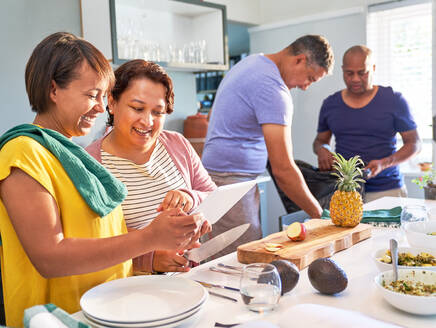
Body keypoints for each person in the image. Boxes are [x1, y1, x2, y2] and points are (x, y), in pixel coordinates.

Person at [0, 32, 206, 327]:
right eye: (92, 95)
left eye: (104, 96)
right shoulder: (23, 154)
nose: (102, 108)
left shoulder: (72, 156)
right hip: (61, 318)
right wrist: (150, 238)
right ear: (53, 89)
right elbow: (50, 257)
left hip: (105, 311)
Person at [202, 35, 334, 258]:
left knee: (219, 259)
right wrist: (320, 216)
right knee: (240, 264)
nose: (305, 87)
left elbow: (211, 116)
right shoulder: (273, 89)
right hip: (232, 184)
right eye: (310, 78)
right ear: (299, 60)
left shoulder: (251, 63)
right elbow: (283, 169)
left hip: (217, 180)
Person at [86, 59, 216, 273]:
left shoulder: (177, 144)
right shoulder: (90, 163)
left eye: (158, 112)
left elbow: (211, 195)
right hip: (126, 293)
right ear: (111, 102)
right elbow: (91, 243)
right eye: (137, 108)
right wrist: (149, 259)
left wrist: (192, 199)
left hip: (187, 282)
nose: (147, 121)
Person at [313, 45, 421, 203]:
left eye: (362, 73)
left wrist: (384, 164)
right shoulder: (330, 104)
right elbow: (320, 141)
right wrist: (323, 149)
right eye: (349, 73)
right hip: (344, 191)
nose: (355, 79)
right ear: (342, 70)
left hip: (387, 190)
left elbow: (415, 144)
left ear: (373, 68)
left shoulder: (393, 100)